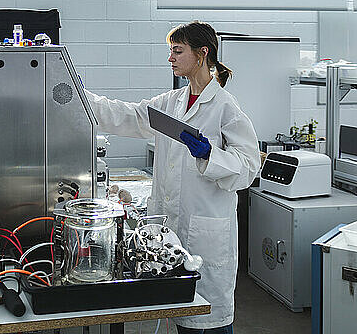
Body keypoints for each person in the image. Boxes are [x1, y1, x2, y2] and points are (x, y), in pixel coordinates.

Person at [84, 21, 260, 334]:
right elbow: (125, 115)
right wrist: (77, 94)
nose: (171, 58)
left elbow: (248, 168)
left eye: (177, 51)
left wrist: (209, 155)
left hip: (206, 234)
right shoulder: (172, 102)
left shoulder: (225, 108)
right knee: (177, 316)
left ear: (202, 53)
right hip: (171, 232)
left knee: (206, 322)